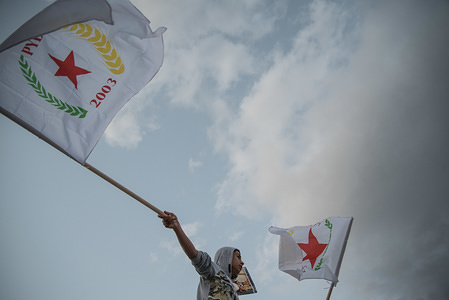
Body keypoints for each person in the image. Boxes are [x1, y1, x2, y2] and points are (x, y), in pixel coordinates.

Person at [159, 211, 244, 300]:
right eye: (238, 257)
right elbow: (194, 255)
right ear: (227, 257)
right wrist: (177, 227)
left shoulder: (233, 290)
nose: (242, 262)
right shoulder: (213, 270)